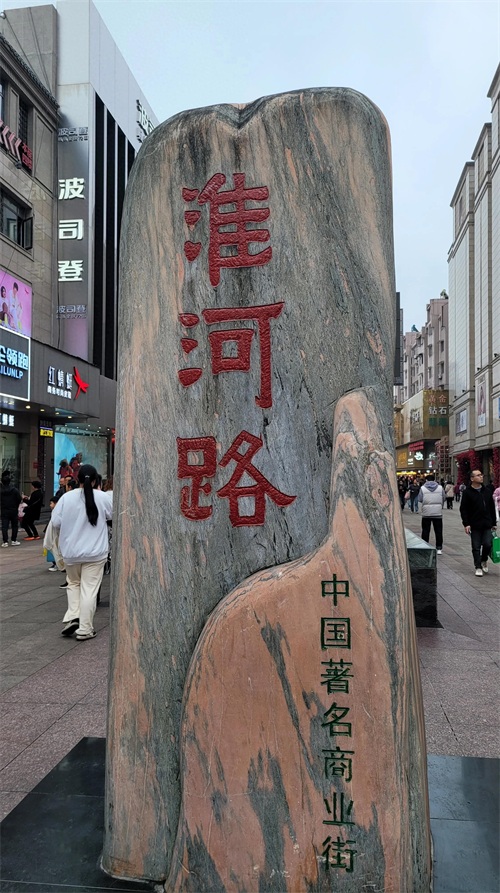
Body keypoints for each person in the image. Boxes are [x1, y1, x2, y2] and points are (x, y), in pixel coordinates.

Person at [51, 464, 112, 640]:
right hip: (95, 552)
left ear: (77, 480)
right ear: (94, 481)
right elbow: (112, 516)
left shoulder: (66, 498)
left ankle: (73, 617)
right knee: (89, 589)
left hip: (71, 552)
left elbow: (55, 523)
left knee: (73, 584)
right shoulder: (102, 497)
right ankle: (85, 628)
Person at [460, 470, 497, 577]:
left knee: (487, 544)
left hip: (487, 523)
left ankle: (484, 559)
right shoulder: (467, 492)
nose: (481, 477)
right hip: (474, 524)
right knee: (476, 546)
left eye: (481, 475)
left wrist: (494, 522)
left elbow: (492, 508)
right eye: (478, 475)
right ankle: (478, 566)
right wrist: (466, 524)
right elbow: (463, 509)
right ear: (472, 478)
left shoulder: (487, 491)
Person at [418, 473, 445, 554]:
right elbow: (444, 498)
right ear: (434, 480)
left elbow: (420, 499)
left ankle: (425, 547)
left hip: (426, 513)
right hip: (437, 513)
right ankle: (439, 548)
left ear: (426, 480)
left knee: (425, 530)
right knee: (438, 531)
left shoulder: (422, 488)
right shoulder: (440, 488)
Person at [1, 474, 22, 546]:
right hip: (13, 509)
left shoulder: (1, 490)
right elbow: (19, 499)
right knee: (14, 525)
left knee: (4, 526)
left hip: (4, 510)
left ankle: (5, 541)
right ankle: (14, 540)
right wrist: (16, 505)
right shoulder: (14, 490)